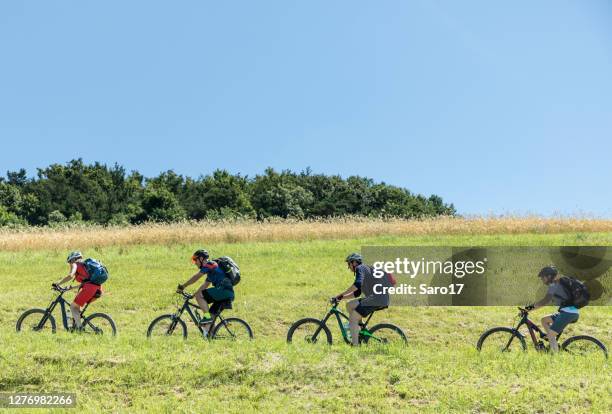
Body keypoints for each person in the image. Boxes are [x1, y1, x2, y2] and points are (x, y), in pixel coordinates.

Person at [333, 253, 389, 346]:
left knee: (353, 318)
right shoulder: (364, 269)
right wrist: (341, 298)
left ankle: (355, 346)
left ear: (354, 263)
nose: (348, 267)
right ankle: (361, 329)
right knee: (350, 305)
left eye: (349, 264)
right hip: (377, 298)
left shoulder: (360, 268)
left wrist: (340, 295)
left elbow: (357, 284)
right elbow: (357, 293)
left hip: (376, 298)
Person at [526, 265, 579, 353]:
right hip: (569, 312)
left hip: (568, 313)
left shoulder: (555, 284)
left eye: (543, 278)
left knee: (550, 335)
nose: (542, 280)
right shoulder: (558, 284)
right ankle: (552, 342)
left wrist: (528, 309)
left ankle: (555, 357)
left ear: (549, 276)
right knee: (544, 320)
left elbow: (544, 301)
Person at [177, 249, 235, 329]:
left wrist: (183, 286)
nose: (195, 263)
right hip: (226, 293)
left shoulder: (210, 264)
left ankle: (207, 317)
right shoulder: (211, 271)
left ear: (201, 259)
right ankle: (211, 337)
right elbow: (205, 285)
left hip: (223, 290)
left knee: (207, 316)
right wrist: (194, 295)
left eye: (195, 260)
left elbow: (196, 276)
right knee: (209, 323)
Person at [53, 251, 102, 330]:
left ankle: (79, 329)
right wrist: (71, 288)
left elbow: (70, 276)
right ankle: (77, 325)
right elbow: (86, 283)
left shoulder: (75, 264)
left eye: (70, 262)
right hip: (97, 289)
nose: (70, 264)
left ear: (73, 259)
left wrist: (58, 283)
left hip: (89, 289)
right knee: (77, 306)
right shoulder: (85, 267)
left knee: (73, 307)